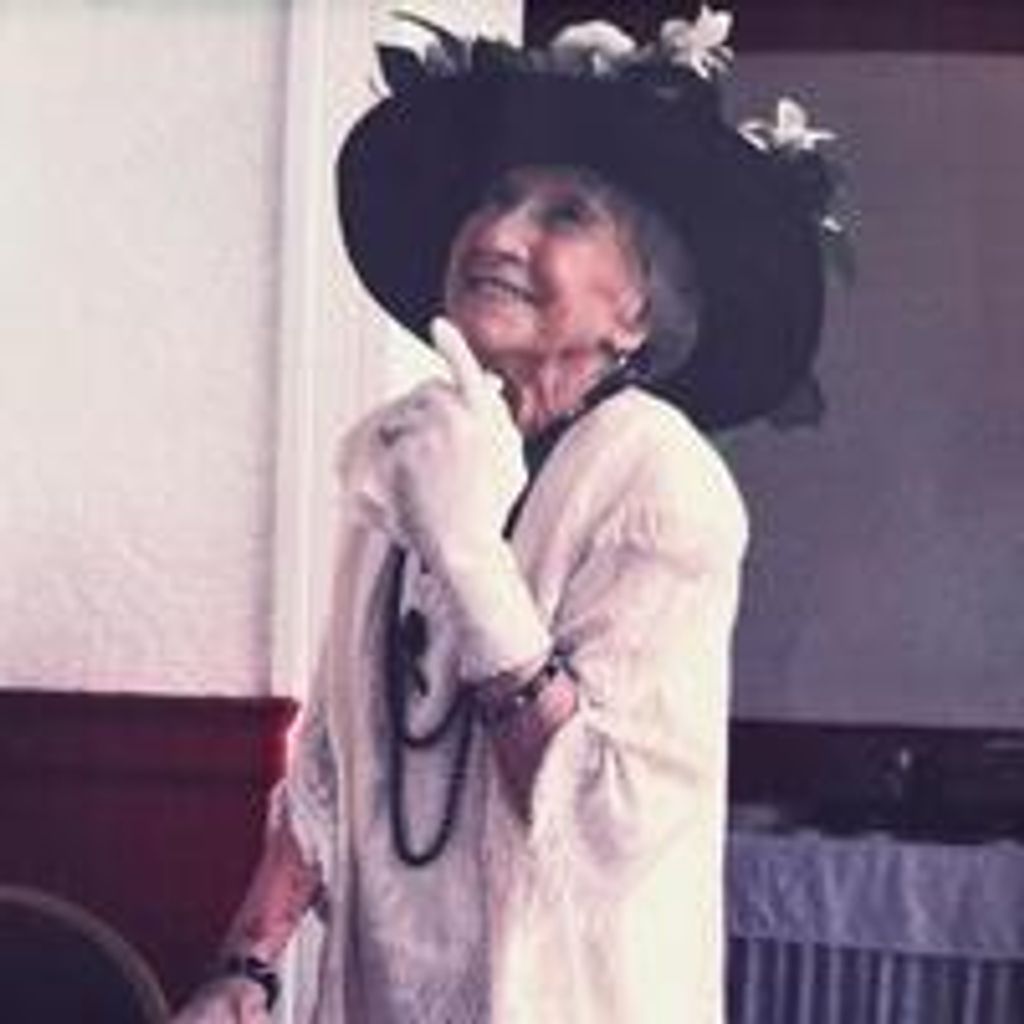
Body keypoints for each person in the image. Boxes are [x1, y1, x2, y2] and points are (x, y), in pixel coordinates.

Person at [172, 9, 839, 1023]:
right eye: (493, 198)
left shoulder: (659, 479)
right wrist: (246, 968)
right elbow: (332, 762)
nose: (498, 233)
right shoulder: (405, 450)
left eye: (565, 214)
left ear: (639, 311)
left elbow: (605, 824)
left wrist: (465, 553)